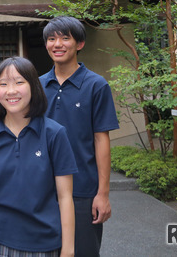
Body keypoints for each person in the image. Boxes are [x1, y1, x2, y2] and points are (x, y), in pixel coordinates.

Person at [0, 57, 77, 257]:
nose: (11, 91)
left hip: (45, 243)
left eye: (19, 82)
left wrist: (68, 250)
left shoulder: (54, 134)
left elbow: (65, 197)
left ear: (34, 87)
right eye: (3, 84)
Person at [39, 16, 120, 257]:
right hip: (42, 188)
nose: (58, 44)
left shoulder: (96, 85)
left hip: (83, 190)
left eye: (65, 38)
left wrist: (103, 194)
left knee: (82, 251)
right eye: (52, 39)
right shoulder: (37, 86)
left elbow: (101, 140)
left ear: (80, 44)